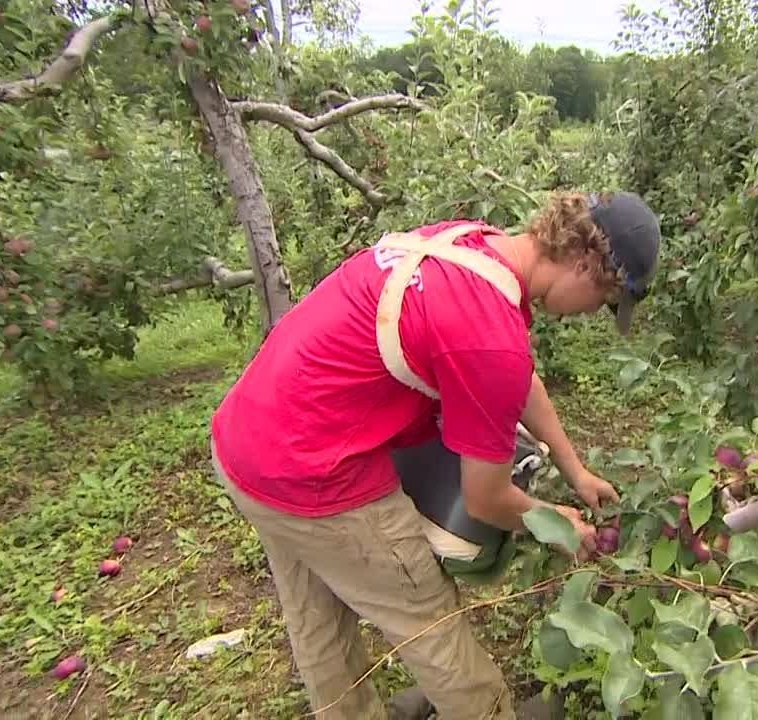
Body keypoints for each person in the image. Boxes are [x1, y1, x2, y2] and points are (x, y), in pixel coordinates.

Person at [208, 191, 661, 720]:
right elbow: (487, 498)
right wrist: (559, 523)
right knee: (430, 621)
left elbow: (519, 377)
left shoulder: (473, 243)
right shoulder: (491, 338)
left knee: (319, 622)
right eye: (604, 301)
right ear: (584, 266)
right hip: (316, 473)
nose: (592, 315)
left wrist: (574, 469)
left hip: (249, 444)